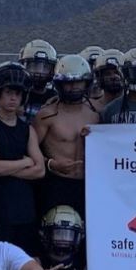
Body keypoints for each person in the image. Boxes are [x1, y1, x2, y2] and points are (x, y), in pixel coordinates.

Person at [0, 62, 46, 249]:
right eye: (8, 92)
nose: (13, 98)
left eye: (18, 93)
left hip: (24, 208)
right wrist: (24, 162)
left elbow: (39, 170)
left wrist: (7, 168)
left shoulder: (27, 129)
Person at [33, 54, 98, 217]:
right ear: (59, 84)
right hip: (56, 184)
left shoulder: (96, 114)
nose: (74, 87)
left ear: (87, 83)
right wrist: (51, 164)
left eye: (79, 82)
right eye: (69, 83)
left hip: (89, 185)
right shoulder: (46, 115)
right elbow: (29, 151)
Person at [18, 39, 58, 124]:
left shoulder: (55, 98)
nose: (39, 71)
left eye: (45, 67)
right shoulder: (16, 93)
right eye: (34, 66)